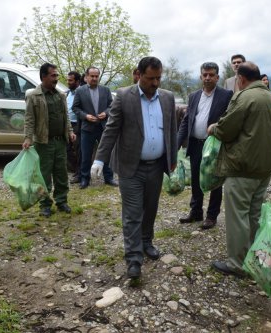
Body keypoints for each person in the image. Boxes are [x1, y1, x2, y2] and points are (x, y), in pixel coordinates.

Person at [90, 56, 177, 279]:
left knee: (151, 209)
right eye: (150, 78)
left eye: (158, 78)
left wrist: (172, 159)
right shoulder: (123, 96)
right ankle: (134, 258)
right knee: (132, 214)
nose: (156, 83)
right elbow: (111, 129)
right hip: (131, 167)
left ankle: (147, 242)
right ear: (139, 75)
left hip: (157, 167)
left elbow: (171, 131)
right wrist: (100, 159)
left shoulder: (167, 98)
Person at [208, 61, 271, 277]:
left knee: (237, 216)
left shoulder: (244, 96)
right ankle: (254, 258)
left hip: (243, 167)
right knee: (253, 214)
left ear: (240, 79)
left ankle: (236, 264)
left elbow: (227, 129)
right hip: (264, 168)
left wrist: (214, 128)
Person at [177, 62, 233, 229]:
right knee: (196, 179)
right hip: (194, 144)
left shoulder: (226, 95)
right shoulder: (194, 95)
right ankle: (196, 212)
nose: (207, 78)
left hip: (214, 145)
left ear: (217, 77)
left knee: (214, 180)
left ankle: (211, 216)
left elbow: (230, 118)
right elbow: (186, 121)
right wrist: (177, 143)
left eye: (211, 75)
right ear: (201, 76)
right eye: (205, 74)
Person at [23, 63, 76, 217]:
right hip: (43, 143)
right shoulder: (34, 96)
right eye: (53, 75)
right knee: (44, 175)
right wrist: (28, 138)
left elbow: (65, 118)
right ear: (43, 77)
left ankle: (61, 201)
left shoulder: (61, 95)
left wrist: (70, 132)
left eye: (57, 75)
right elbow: (29, 119)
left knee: (61, 174)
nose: (56, 78)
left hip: (60, 142)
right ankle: (45, 204)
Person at [72, 66, 117, 189]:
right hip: (87, 128)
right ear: (86, 77)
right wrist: (86, 116)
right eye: (92, 76)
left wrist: (106, 113)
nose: (94, 78)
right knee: (86, 155)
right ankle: (84, 179)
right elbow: (75, 108)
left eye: (96, 76)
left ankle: (109, 177)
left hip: (103, 128)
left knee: (106, 153)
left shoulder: (105, 90)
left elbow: (111, 106)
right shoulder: (80, 91)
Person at [66, 71, 82, 183]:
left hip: (78, 124)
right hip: (67, 124)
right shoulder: (67, 93)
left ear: (77, 81)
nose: (68, 82)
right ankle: (76, 170)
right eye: (67, 80)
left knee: (78, 149)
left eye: (70, 80)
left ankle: (79, 173)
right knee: (67, 149)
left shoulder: (82, 92)